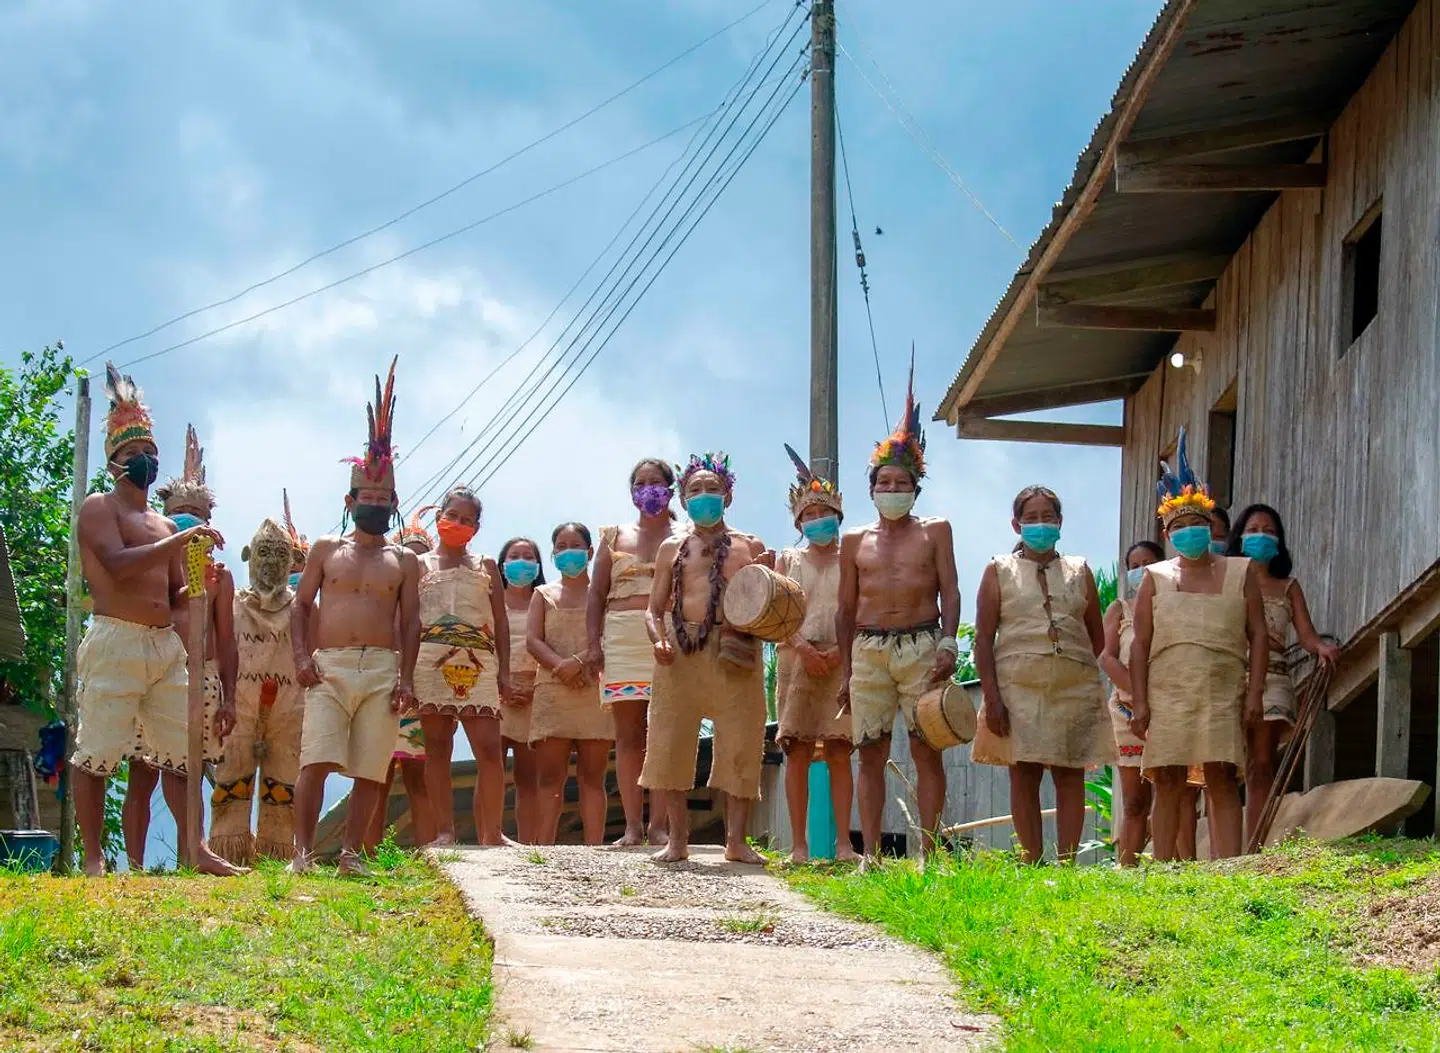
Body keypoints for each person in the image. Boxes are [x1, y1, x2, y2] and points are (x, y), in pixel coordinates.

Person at [71, 364, 240, 876]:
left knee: (182, 749)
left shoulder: (164, 522)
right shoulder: (99, 508)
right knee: (97, 749)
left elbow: (172, 594)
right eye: (131, 455)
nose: (142, 460)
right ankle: (96, 858)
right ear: (113, 464)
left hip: (164, 646)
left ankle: (196, 849)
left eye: (148, 453)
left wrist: (201, 589)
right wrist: (181, 541)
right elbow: (120, 568)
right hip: (115, 639)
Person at [291, 359, 421, 874]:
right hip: (330, 665)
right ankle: (301, 855)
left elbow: (410, 623)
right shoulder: (325, 548)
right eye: (366, 497)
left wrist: (407, 676)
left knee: (371, 768)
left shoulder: (404, 560)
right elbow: (301, 605)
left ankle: (350, 855)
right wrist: (302, 657)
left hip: (382, 669)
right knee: (315, 760)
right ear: (350, 500)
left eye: (383, 498)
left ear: (392, 503)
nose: (374, 504)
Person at [837, 365, 960, 862]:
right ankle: (871, 855)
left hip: (922, 645)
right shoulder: (853, 541)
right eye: (884, 482)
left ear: (916, 488)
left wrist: (949, 642)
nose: (892, 489)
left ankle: (928, 854)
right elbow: (845, 608)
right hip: (868, 649)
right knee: (869, 752)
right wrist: (847, 668)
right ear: (871, 490)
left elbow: (950, 589)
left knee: (927, 747)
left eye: (901, 482)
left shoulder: (936, 530)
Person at [1129, 429, 1268, 861]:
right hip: (1169, 690)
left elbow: (1259, 634)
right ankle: (1165, 867)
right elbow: (1139, 645)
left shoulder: (1240, 572)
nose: (1189, 531)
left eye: (1197, 524)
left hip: (1223, 688)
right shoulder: (1155, 577)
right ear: (1167, 532)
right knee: (1167, 779)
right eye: (1179, 526)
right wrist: (1140, 701)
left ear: (1211, 527)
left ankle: (1230, 867)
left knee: (1222, 776)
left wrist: (1256, 692)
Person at [640, 453, 773, 864]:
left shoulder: (751, 546)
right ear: (682, 498)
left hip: (735, 652)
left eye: (712, 489)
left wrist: (772, 579)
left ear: (728, 496)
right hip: (680, 653)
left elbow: (769, 603)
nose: (703, 497)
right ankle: (677, 840)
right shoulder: (670, 548)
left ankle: (736, 841)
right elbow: (653, 608)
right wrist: (659, 641)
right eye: (694, 490)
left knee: (742, 741)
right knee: (671, 741)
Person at [973, 486, 1114, 863]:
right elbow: (983, 640)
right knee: (1024, 773)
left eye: (1047, 517)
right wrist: (992, 699)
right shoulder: (997, 570)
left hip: (1074, 685)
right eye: (1031, 518)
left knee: (1070, 774)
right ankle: (1030, 860)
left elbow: (1098, 638)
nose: (1040, 524)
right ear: (1016, 524)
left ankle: (1067, 864)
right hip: (1017, 687)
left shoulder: (1079, 570)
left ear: (1060, 523)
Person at [123, 424, 238, 870]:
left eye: (196, 512)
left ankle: (194, 855)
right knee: (142, 771)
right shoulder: (154, 562)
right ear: (166, 515)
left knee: (185, 773)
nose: (189, 519)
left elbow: (226, 640)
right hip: (153, 670)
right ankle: (134, 866)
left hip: (202, 678)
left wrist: (229, 697)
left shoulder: (222, 576)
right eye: (180, 512)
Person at [1228, 503, 1339, 848]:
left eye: (1269, 530)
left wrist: (1322, 648)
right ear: (1240, 537)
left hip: (1274, 678)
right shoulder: (1225, 579)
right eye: (1254, 529)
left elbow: (1306, 636)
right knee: (1226, 765)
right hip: (1229, 673)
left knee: (1261, 762)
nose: (1261, 535)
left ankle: (1255, 846)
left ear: (1279, 541)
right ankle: (1226, 848)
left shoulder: (1288, 586)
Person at [209, 507, 309, 865]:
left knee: (283, 784)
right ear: (248, 556)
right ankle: (227, 852)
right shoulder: (234, 604)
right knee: (232, 776)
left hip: (289, 709)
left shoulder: (302, 609)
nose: (272, 564)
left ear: (293, 560)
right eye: (263, 553)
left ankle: (275, 856)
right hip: (240, 705)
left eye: (281, 556)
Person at [587, 458, 678, 846]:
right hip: (622, 638)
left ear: (670, 489)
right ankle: (632, 827)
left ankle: (659, 825)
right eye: (640, 483)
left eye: (655, 482)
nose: (647, 489)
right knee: (627, 736)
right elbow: (595, 595)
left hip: (670, 635)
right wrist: (593, 644)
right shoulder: (612, 538)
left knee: (664, 731)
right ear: (631, 492)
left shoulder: (685, 534)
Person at [415, 488, 512, 846]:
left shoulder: (485, 565)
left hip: (479, 661)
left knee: (488, 747)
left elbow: (500, 621)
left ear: (476, 526)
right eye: (452, 515)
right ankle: (444, 832)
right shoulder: (419, 564)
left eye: (466, 519)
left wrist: (503, 672)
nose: (457, 523)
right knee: (438, 747)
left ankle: (493, 833)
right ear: (439, 516)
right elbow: (408, 620)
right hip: (430, 662)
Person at [774, 444, 856, 864]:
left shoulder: (855, 557)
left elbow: (863, 609)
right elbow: (772, 612)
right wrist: (802, 646)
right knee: (798, 749)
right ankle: (799, 846)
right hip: (796, 659)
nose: (817, 520)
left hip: (845, 660)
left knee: (840, 749)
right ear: (798, 521)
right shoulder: (787, 559)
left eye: (824, 513)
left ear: (837, 516)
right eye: (809, 515)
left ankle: (844, 844)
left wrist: (842, 652)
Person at [528, 523, 614, 844]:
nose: (568, 551)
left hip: (595, 691)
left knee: (593, 777)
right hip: (552, 691)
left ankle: (594, 849)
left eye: (575, 545)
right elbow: (533, 640)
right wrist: (560, 667)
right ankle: (543, 850)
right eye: (560, 546)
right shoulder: (543, 595)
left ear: (590, 552)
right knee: (550, 777)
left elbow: (609, 635)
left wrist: (577, 663)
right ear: (553, 555)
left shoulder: (605, 595)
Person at [365, 509, 439, 850]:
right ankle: (366, 851)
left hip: (422, 689)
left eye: (422, 559)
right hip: (381, 684)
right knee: (374, 774)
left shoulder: (435, 606)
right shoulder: (381, 601)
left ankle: (430, 852)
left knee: (419, 777)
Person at [1099, 540, 1163, 866]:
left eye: (1148, 562)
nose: (1141, 570)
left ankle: (1173, 866)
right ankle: (1128, 871)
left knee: (1171, 794)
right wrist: (1139, 697)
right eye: (1134, 564)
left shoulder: (1172, 605)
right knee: (1135, 800)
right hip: (1126, 712)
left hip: (1168, 708)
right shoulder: (1119, 609)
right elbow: (1107, 657)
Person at [498, 536, 542, 844]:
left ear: (538, 565)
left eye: (528, 555)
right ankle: (490, 837)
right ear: (502, 563)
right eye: (515, 555)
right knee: (491, 771)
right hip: (494, 690)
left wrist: (535, 688)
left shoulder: (545, 600)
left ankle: (529, 845)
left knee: (529, 778)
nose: (521, 560)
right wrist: (501, 686)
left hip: (535, 692)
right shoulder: (490, 600)